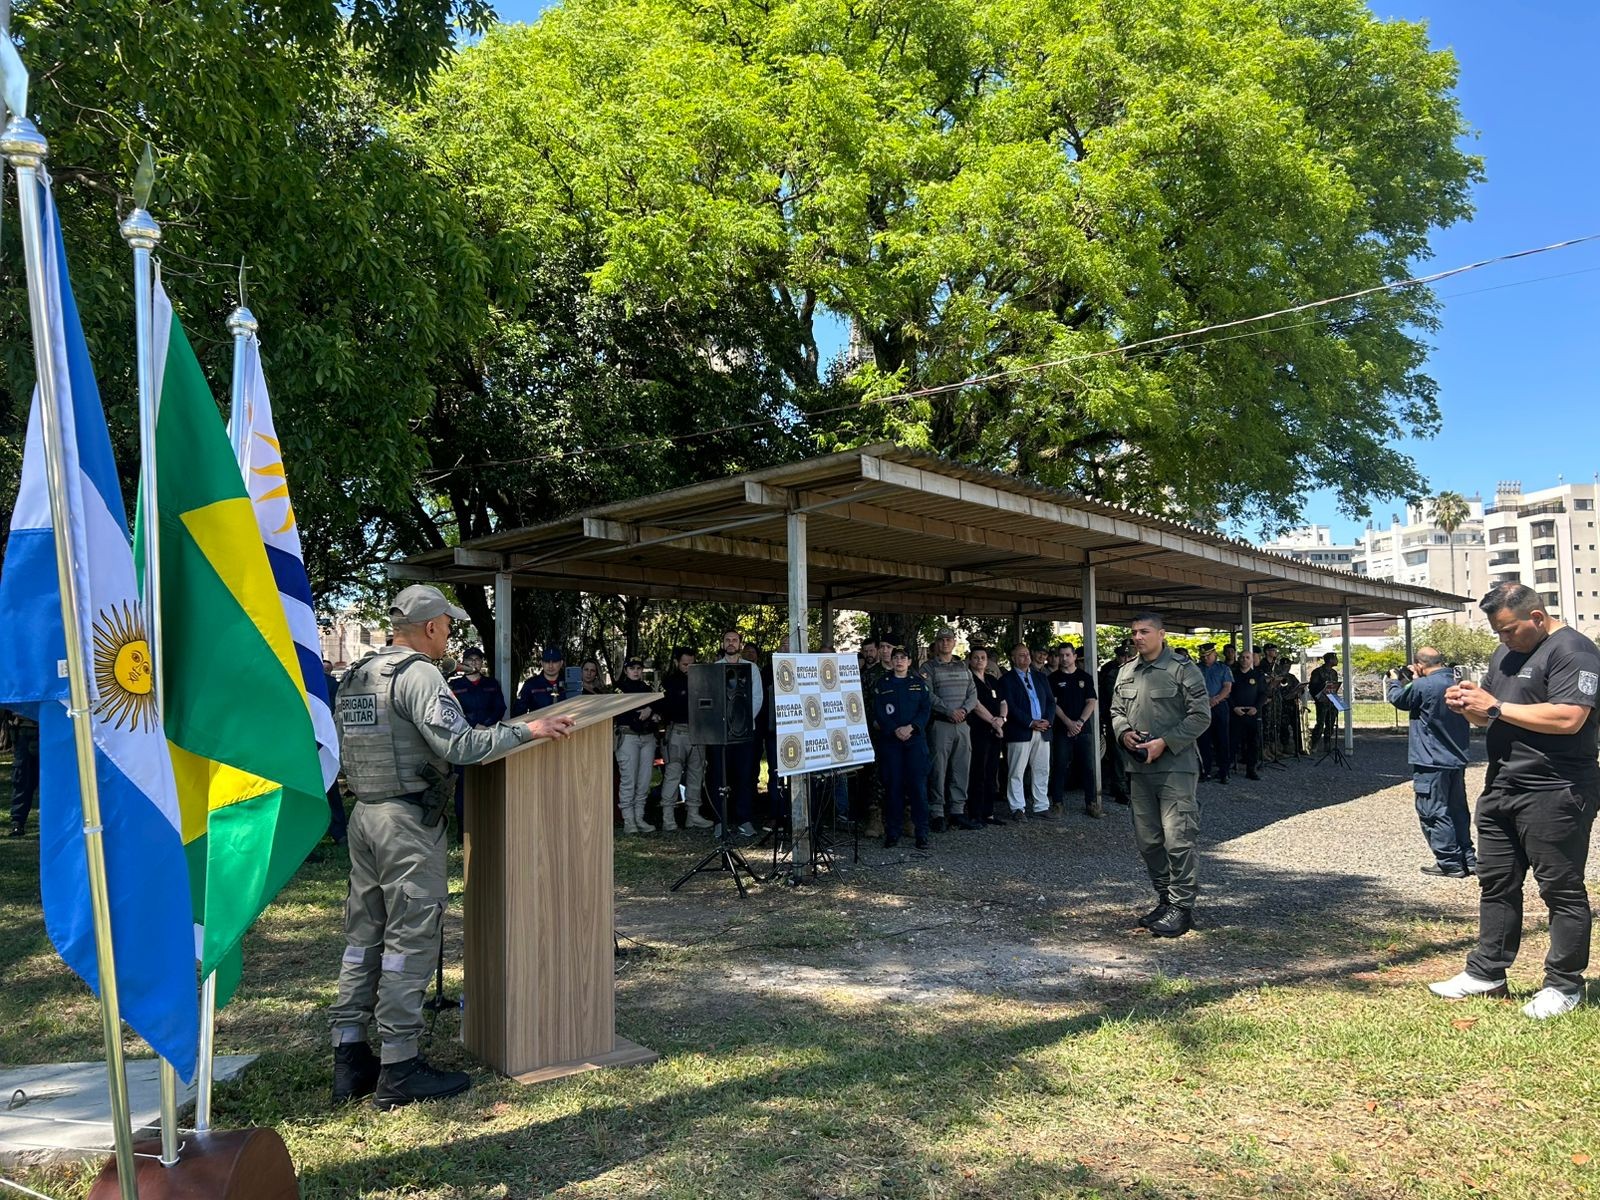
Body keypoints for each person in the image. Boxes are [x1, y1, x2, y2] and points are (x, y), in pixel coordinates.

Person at [329, 585, 575, 1108]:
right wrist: (527, 730)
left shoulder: (357, 675)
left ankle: (349, 1057)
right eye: (449, 624)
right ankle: (399, 1066)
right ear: (432, 626)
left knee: (363, 937)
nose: (452, 634)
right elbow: (459, 744)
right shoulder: (418, 675)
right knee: (410, 938)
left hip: (365, 815)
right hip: (406, 824)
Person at [1431, 583, 1600, 1019]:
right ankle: (1487, 972)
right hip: (1502, 785)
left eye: (1509, 630)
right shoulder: (1505, 654)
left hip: (1556, 789)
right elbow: (1491, 711)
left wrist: (1493, 709)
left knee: (1560, 890)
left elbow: (1568, 716)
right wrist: (1466, 705)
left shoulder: (1574, 651)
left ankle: (1564, 985)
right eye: (1498, 632)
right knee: (1496, 882)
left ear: (1537, 618)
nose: (1504, 639)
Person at [1110, 611, 1212, 939]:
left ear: (1162, 634)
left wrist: (1164, 743)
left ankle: (1182, 908)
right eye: (1134, 632)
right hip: (1139, 768)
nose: (1137, 637)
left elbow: (1201, 716)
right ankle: (1166, 898)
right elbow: (1115, 711)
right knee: (1149, 840)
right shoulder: (1126, 672)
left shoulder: (1183, 670)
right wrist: (1123, 732)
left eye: (1144, 631)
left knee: (1178, 838)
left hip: (1176, 767)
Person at [1386, 647, 1474, 877]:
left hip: (1430, 759)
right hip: (1455, 757)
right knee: (1457, 809)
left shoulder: (1422, 685)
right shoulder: (1457, 683)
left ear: (1419, 665)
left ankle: (1449, 862)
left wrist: (1395, 681)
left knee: (1433, 811)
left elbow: (1398, 699)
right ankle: (1468, 857)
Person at [921, 625, 981, 832]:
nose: (945, 643)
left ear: (955, 642)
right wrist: (948, 711)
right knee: (938, 770)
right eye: (941, 640)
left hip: (963, 725)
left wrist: (963, 710)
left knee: (961, 769)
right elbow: (928, 695)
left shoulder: (963, 667)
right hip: (941, 725)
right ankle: (937, 812)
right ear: (936, 644)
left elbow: (973, 694)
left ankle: (957, 811)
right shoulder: (928, 668)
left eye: (949, 639)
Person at [873, 646, 931, 850]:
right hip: (892, 743)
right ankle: (893, 832)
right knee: (893, 788)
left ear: (909, 662)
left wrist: (912, 727)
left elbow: (925, 709)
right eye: (895, 657)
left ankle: (921, 832)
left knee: (918, 788)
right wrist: (894, 729)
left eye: (903, 658)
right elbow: (879, 711)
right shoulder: (883, 684)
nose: (899, 661)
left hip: (914, 741)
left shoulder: (918, 683)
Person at [706, 629, 760, 836]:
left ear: (740, 644)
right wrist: (724, 723)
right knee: (719, 776)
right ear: (722, 643)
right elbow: (711, 700)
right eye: (727, 640)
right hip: (721, 734)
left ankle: (744, 819)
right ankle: (720, 820)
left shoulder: (751, 668)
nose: (730, 643)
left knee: (744, 777)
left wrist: (742, 722)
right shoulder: (714, 669)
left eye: (734, 640)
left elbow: (757, 698)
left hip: (745, 732)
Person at [447, 647, 508, 830]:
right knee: (464, 784)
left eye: (478, 659)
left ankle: (488, 824)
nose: (474, 663)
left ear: (482, 662)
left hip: (488, 736)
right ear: (463, 662)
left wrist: (486, 724)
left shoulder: (491, 684)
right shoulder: (455, 685)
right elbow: (452, 712)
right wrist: (473, 725)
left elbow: (499, 708)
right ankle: (463, 827)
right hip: (464, 739)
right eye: (470, 659)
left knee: (490, 781)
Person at [999, 643, 1054, 821]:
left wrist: (1048, 720)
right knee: (1017, 770)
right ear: (1013, 658)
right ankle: (1017, 808)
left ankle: (1041, 805)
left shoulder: (1040, 677)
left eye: (1027, 654)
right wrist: (1030, 722)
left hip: (1043, 730)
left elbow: (1051, 702)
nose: (1026, 658)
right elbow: (1010, 706)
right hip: (1020, 731)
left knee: (1042, 769)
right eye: (1021, 655)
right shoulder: (1006, 680)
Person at [659, 646, 711, 829]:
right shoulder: (669, 682)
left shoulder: (702, 680)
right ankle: (668, 817)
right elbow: (662, 706)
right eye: (684, 664)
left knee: (696, 774)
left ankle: (693, 815)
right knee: (672, 774)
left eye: (691, 663)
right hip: (676, 732)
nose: (688, 667)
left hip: (697, 733)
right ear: (676, 662)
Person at [1048, 644, 1100, 817]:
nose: (1064, 659)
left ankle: (1091, 803)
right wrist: (1068, 723)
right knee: (1060, 766)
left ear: (1074, 656)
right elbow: (1053, 704)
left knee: (1088, 767)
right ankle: (1057, 804)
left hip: (1083, 729)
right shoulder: (1053, 678)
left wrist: (1080, 722)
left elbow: (1091, 701)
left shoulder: (1085, 677)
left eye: (1067, 655)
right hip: (1063, 729)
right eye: (1061, 655)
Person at [614, 657, 659, 834]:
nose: (636, 671)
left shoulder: (647, 688)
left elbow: (660, 704)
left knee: (644, 780)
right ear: (626, 671)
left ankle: (639, 817)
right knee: (628, 779)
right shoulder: (619, 688)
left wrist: (651, 711)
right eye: (632, 668)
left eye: (639, 668)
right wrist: (641, 713)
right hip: (628, 737)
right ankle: (628, 820)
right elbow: (620, 711)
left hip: (647, 737)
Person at [965, 647, 1008, 826]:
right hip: (978, 731)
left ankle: (989, 812)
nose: (980, 660)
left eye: (983, 657)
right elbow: (975, 704)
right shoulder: (969, 680)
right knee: (978, 772)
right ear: (970, 660)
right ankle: (975, 813)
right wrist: (993, 722)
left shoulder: (991, 680)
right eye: (976, 657)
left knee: (992, 772)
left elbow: (1004, 702)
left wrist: (1002, 719)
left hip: (995, 732)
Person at [1098, 641, 1133, 805]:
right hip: (1117, 720)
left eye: (1129, 656)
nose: (1126, 659)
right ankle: (1119, 788)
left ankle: (1131, 786)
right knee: (1118, 755)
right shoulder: (1113, 673)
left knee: (1133, 753)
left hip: (1135, 719)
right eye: (1122, 656)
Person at [1197, 643, 1231, 785]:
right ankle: (1205, 771)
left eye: (1208, 655)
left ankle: (1224, 772)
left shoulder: (1223, 668)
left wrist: (1216, 699)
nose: (1205, 658)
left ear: (1215, 654)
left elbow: (1227, 687)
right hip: (1202, 706)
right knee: (1203, 740)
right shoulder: (1196, 668)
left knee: (1222, 740)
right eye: (1203, 656)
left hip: (1219, 706)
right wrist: (1206, 700)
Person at [1228, 651, 1265, 781]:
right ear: (1239, 659)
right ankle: (1226, 769)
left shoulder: (1257, 675)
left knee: (1252, 743)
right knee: (1232, 742)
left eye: (1247, 658)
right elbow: (1228, 693)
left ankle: (1251, 770)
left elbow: (1262, 694)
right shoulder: (1232, 674)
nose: (1244, 660)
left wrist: (1256, 707)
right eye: (1242, 657)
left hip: (1251, 713)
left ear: (1251, 660)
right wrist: (1234, 707)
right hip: (1236, 713)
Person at [7, 710, 38, 838]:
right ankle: (17, 823)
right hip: (23, 730)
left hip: (49, 728)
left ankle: (53, 823)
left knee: (51, 781)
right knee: (21, 779)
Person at [513, 646, 569, 715]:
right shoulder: (531, 684)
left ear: (561, 663)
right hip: (539, 724)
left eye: (554, 661)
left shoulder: (569, 683)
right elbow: (518, 711)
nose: (550, 666)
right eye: (547, 661)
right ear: (542, 663)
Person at [1308, 652, 1341, 749]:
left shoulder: (1334, 673)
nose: (1337, 660)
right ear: (1330, 660)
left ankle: (1327, 743)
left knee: (1330, 723)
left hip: (1332, 701)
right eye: (1335, 658)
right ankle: (1315, 743)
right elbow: (1312, 687)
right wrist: (1318, 698)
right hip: (1322, 701)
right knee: (1320, 723)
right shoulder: (1317, 672)